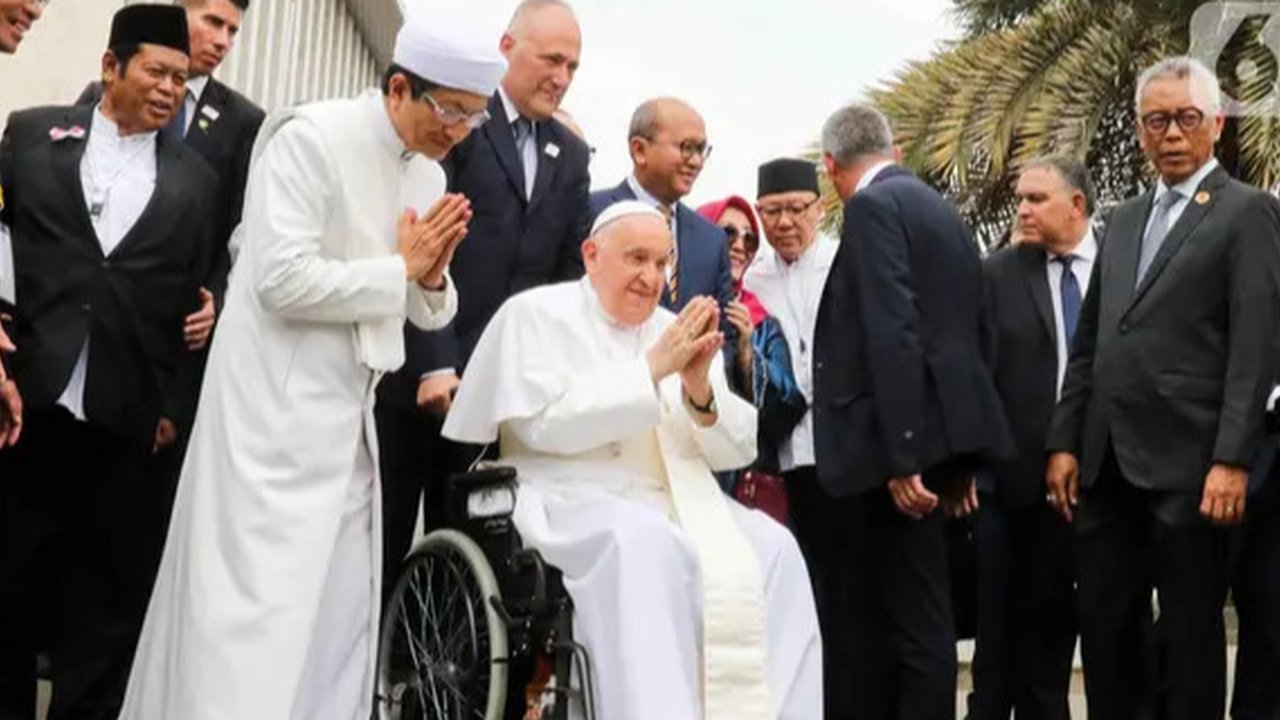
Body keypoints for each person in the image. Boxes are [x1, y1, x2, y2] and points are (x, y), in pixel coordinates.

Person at [117, 9, 504, 720]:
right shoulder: (310, 138)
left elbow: (426, 310)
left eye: (473, 119)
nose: (456, 130)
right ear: (398, 88)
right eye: (450, 110)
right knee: (248, 622)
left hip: (351, 425)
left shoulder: (426, 173)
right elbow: (280, 280)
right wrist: (399, 270)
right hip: (271, 420)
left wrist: (429, 279)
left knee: (334, 622)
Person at [443, 200, 822, 720]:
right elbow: (545, 426)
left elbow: (735, 448)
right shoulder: (534, 315)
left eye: (662, 263)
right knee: (644, 546)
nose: (652, 277)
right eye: (637, 259)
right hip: (565, 495)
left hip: (673, 500)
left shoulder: (674, 327)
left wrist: (698, 393)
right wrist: (650, 371)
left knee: (776, 550)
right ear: (592, 255)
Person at [1046, 56, 1280, 720]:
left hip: (1192, 463)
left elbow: (1255, 344)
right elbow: (1091, 341)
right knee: (1107, 627)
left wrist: (1233, 457)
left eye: (1185, 119)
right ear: (1141, 130)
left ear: (1212, 125)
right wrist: (1065, 439)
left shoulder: (1247, 213)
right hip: (1106, 463)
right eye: (1157, 121)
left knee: (1188, 637)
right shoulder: (1120, 220)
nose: (1171, 134)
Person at [0, 6, 218, 719]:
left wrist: (171, 410)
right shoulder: (31, 135)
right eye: (156, 71)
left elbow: (196, 302)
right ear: (110, 67)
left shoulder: (198, 181)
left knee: (102, 610)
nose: (168, 89)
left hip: (125, 423)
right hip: (27, 406)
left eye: (181, 80)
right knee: (11, 588)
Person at [376, 0, 591, 585]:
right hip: (414, 375)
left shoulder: (569, 156)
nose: (561, 77)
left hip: (496, 392)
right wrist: (434, 363)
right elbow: (424, 247)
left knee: (470, 559)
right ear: (507, 49)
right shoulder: (459, 124)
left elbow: (565, 278)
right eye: (551, 59)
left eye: (573, 66)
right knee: (385, 539)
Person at [812, 102, 1011, 720]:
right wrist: (953, 460)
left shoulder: (873, 209)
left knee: (911, 625)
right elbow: (971, 330)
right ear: (891, 150)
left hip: (894, 454)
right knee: (921, 612)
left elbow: (891, 330)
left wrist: (903, 456)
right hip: (942, 440)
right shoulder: (937, 210)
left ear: (830, 167)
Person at [79, 0, 265, 539]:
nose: (223, 39)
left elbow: (238, 233)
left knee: (132, 522)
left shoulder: (243, 123)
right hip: (89, 334)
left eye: (233, 30)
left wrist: (218, 301)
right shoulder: (103, 98)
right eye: (212, 22)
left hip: (169, 349)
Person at [972, 155, 1094, 720]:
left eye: (1036, 199)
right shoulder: (995, 275)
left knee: (1106, 635)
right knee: (1007, 647)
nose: (1022, 209)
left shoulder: (1120, 267)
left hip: (1108, 482)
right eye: (1019, 198)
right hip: (1014, 489)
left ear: (1077, 205)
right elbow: (974, 374)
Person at [590, 98, 734, 321]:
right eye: (687, 148)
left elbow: (724, 334)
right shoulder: (590, 214)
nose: (696, 161)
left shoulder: (712, 240)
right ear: (639, 150)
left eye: (702, 150)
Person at [696, 194, 764, 392]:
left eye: (749, 239)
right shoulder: (670, 302)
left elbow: (784, 403)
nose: (740, 247)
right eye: (728, 234)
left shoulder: (760, 320)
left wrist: (746, 354)